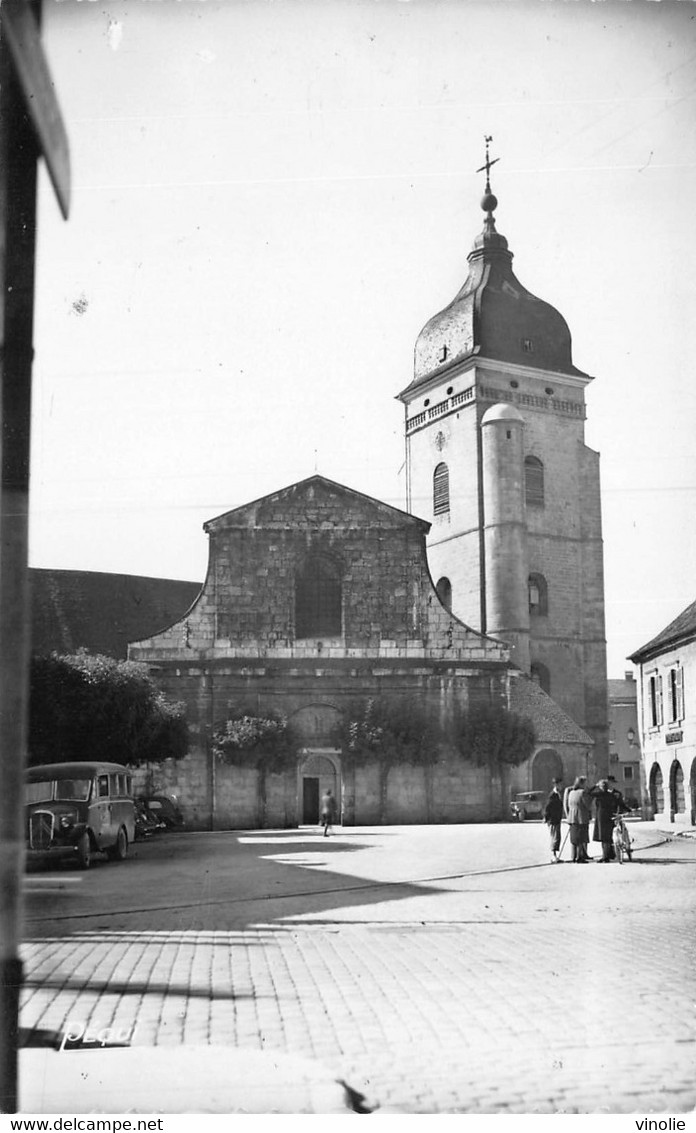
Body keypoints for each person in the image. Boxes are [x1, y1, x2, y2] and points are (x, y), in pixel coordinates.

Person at [590, 779, 628, 862]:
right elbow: (619, 803)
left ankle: (605, 856)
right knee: (607, 837)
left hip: (601, 817)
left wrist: (595, 786)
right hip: (609, 816)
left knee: (604, 838)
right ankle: (608, 855)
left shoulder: (598, 794)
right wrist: (627, 809)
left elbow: (589, 792)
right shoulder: (611, 795)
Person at [565, 776, 592, 862]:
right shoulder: (582, 792)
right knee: (581, 837)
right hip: (581, 817)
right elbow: (587, 805)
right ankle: (580, 857)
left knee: (574, 838)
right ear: (582, 783)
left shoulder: (571, 792)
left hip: (572, 817)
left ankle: (573, 856)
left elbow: (568, 805)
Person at [543, 778, 564, 863]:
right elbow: (548, 807)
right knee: (554, 837)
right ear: (555, 785)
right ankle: (553, 856)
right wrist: (546, 818)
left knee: (557, 837)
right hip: (553, 819)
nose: (561, 786)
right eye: (559, 784)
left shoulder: (558, 794)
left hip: (557, 819)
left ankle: (555, 856)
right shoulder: (552, 795)